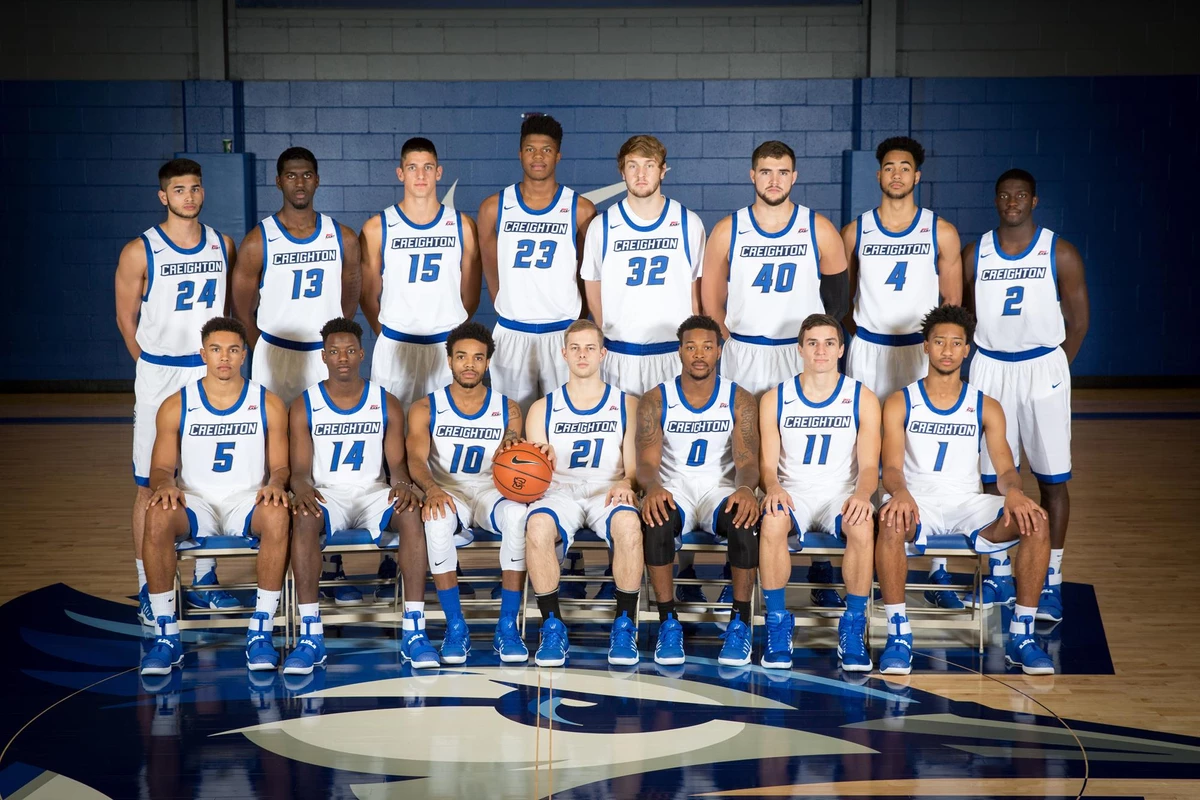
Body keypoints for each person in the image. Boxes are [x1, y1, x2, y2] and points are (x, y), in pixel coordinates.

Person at [700, 139, 851, 608]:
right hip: (745, 351)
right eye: (765, 171)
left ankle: (820, 559)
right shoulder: (729, 229)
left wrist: (815, 347)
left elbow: (838, 300)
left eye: (782, 172)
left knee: (803, 453)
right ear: (752, 175)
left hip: (796, 352)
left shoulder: (817, 228)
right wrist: (726, 337)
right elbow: (710, 294)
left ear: (794, 176)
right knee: (741, 449)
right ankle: (738, 554)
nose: (774, 180)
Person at [875, 304, 1054, 676]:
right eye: (940, 342)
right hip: (918, 501)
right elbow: (890, 467)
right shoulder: (900, 401)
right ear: (926, 346)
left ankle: (1021, 635)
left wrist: (1015, 493)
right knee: (890, 521)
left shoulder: (986, 406)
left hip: (967, 503)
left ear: (967, 349)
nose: (947, 350)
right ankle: (897, 633)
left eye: (956, 343)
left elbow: (1006, 469)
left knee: (1036, 521)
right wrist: (900, 492)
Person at [962, 169, 1089, 623]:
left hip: (1042, 366)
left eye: (1020, 195)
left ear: (1034, 201)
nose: (1012, 201)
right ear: (996, 201)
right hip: (991, 366)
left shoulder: (1060, 251)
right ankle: (999, 573)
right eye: (1004, 195)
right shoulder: (976, 252)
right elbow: (965, 315)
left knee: (1051, 480)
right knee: (991, 477)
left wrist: (1055, 371)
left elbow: (1079, 323)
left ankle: (1050, 579)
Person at [842, 136, 965, 606]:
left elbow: (951, 307)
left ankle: (936, 568)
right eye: (889, 167)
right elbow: (843, 301)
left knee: (925, 449)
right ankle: (863, 558)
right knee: (860, 449)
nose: (897, 174)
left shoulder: (941, 231)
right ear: (878, 175)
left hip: (919, 351)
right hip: (870, 349)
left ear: (918, 176)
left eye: (905, 167)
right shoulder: (856, 231)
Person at [114, 158, 237, 626]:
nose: (190, 196)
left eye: (196, 188)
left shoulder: (222, 244)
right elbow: (125, 319)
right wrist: (150, 365)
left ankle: (205, 579)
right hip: (160, 373)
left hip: (208, 372)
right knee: (149, 485)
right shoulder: (139, 251)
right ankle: (150, 584)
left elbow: (226, 312)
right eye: (180, 189)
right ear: (163, 196)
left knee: (207, 480)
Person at [283, 317, 438, 674]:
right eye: (335, 351)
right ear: (323, 356)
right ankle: (310, 634)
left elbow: (396, 467)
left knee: (411, 513)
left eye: (350, 350)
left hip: (373, 492)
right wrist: (302, 490)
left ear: (362, 354)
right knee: (303, 516)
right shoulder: (305, 404)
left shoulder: (386, 402)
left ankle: (414, 629)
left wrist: (403, 486)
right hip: (327, 494)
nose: (343, 358)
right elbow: (300, 472)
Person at [139, 317, 291, 676]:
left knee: (278, 513)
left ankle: (261, 630)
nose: (225, 357)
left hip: (246, 500)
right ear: (203, 353)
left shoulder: (267, 403)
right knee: (156, 514)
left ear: (244, 355)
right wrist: (166, 485)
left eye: (233, 350)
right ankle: (166, 634)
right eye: (216, 349)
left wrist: (276, 483)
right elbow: (160, 468)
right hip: (196, 501)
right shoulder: (177, 404)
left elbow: (281, 467)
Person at [406, 322, 541, 664]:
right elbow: (415, 459)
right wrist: (432, 490)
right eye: (462, 356)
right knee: (436, 520)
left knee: (518, 514)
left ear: (487, 363)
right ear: (449, 360)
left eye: (478, 358)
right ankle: (456, 627)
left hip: (490, 490)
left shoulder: (508, 408)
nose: (469, 364)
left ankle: (507, 626)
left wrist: (513, 444)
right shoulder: (426, 407)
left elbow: (514, 448)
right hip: (447, 490)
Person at [634, 315, 760, 667]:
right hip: (675, 488)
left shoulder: (739, 399)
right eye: (691, 347)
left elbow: (748, 460)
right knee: (656, 520)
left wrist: (746, 488)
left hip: (720, 488)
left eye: (707, 347)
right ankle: (668, 622)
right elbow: (646, 462)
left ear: (719, 351)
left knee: (745, 521)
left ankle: (739, 623)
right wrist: (652, 487)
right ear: (679, 351)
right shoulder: (656, 399)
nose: (699, 354)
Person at [757, 314, 880, 671]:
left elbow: (869, 467)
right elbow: (767, 466)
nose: (821, 350)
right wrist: (773, 487)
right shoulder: (776, 398)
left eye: (829, 343)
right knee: (772, 522)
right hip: (793, 492)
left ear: (841, 350)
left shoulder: (861, 397)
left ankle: (853, 625)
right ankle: (777, 623)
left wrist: (862, 495)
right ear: (800, 349)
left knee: (862, 525)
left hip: (840, 493)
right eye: (812, 343)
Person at [522, 320, 642, 667]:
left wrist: (627, 483)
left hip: (609, 489)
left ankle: (625, 625)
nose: (582, 354)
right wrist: (541, 461)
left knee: (630, 528)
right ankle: (551, 626)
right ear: (564, 353)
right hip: (560, 490)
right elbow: (534, 472)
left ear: (603, 354)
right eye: (575, 348)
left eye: (590, 348)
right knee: (537, 527)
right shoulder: (543, 408)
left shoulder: (627, 405)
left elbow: (634, 471)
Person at [477, 114, 597, 410]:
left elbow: (588, 273)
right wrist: (508, 303)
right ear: (520, 154)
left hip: (562, 332)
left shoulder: (580, 209)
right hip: (512, 332)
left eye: (546, 150)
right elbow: (491, 268)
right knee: (513, 419)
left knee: (564, 417)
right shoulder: (494, 207)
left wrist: (575, 318)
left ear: (558, 155)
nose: (538, 157)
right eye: (531, 149)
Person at [231, 147, 361, 405]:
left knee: (322, 427)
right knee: (276, 428)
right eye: (291, 176)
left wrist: (331, 341)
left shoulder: (343, 237)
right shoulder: (258, 241)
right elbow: (241, 310)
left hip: (323, 354)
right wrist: (264, 349)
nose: (300, 183)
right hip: (275, 353)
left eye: (307, 175)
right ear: (279, 182)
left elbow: (349, 299)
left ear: (317, 180)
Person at [582, 135, 707, 398]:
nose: (641, 174)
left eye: (649, 165)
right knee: (622, 424)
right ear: (622, 172)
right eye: (633, 166)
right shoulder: (602, 226)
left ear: (662, 170)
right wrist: (611, 330)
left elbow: (696, 295)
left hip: (672, 353)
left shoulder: (688, 223)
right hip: (620, 354)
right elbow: (592, 286)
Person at [360, 137, 481, 406]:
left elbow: (471, 296)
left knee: (445, 425)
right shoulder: (377, 228)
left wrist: (448, 332)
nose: (421, 175)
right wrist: (391, 334)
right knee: (393, 427)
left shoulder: (462, 226)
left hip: (445, 347)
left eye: (428, 167)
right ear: (400, 173)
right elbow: (367, 296)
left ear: (439, 172)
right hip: (396, 347)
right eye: (412, 167)